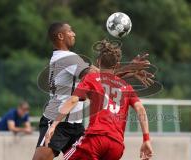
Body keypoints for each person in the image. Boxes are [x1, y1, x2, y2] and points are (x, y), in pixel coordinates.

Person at [33, 22, 154, 160]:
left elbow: (102, 77)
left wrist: (128, 70)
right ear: (60, 36)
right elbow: (99, 76)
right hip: (58, 120)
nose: (74, 33)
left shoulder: (68, 57)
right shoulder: (67, 58)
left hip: (75, 125)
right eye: (70, 31)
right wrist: (129, 68)